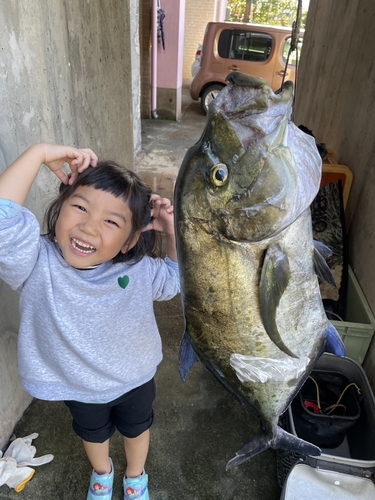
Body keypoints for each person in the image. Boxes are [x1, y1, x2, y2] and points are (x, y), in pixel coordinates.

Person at [0, 143, 180, 500]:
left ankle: (135, 477)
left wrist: (172, 233)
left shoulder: (139, 270)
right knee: (92, 434)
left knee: (137, 428)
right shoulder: (37, 263)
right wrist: (37, 154)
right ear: (60, 208)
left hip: (135, 380)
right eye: (79, 207)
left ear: (131, 240)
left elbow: (174, 279)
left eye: (111, 221)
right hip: (77, 386)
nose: (88, 226)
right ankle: (103, 475)